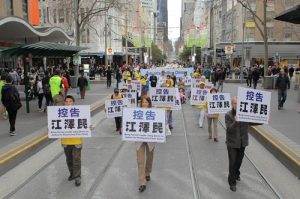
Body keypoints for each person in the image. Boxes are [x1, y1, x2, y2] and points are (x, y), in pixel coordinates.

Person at [225, 96, 260, 192]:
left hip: (242, 143)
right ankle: (232, 182)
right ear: (232, 104)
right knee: (232, 163)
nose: (237, 105)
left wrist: (263, 121)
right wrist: (235, 122)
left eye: (238, 103)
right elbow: (229, 129)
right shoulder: (228, 115)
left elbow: (252, 122)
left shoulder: (245, 113)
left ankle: (236, 174)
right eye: (235, 103)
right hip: (232, 143)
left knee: (238, 162)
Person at [61, 95, 83, 186]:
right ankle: (72, 173)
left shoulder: (80, 112)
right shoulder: (60, 113)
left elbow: (86, 123)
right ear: (64, 103)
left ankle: (77, 176)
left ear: (73, 103)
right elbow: (54, 125)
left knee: (76, 159)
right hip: (65, 141)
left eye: (70, 101)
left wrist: (90, 127)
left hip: (77, 141)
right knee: (69, 159)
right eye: (66, 101)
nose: (68, 103)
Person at [136, 96, 155, 192]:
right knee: (140, 161)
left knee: (150, 158)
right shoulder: (136, 113)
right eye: (143, 102)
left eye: (146, 102)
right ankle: (142, 182)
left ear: (149, 104)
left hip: (150, 140)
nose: (144, 104)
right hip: (139, 141)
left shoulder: (154, 113)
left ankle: (147, 172)